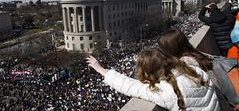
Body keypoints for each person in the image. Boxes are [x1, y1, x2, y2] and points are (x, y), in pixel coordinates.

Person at [86, 48, 220, 111]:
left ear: (147, 72)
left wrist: (102, 70)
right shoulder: (195, 71)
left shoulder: (165, 92)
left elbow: (131, 86)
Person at [157, 28, 239, 110]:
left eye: (162, 48)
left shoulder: (183, 68)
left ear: (170, 49)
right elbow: (223, 81)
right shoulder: (200, 57)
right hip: (221, 104)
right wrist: (234, 101)